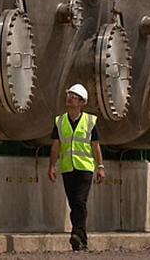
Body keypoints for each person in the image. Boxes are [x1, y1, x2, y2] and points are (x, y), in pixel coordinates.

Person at [48, 83, 106, 252]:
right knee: (74, 203)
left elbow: (96, 146)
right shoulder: (60, 121)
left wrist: (100, 166)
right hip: (67, 168)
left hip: (85, 169)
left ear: (82, 102)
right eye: (69, 95)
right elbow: (55, 146)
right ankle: (81, 239)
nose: (70, 98)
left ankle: (75, 233)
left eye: (74, 96)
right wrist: (52, 165)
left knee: (80, 201)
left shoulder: (90, 121)